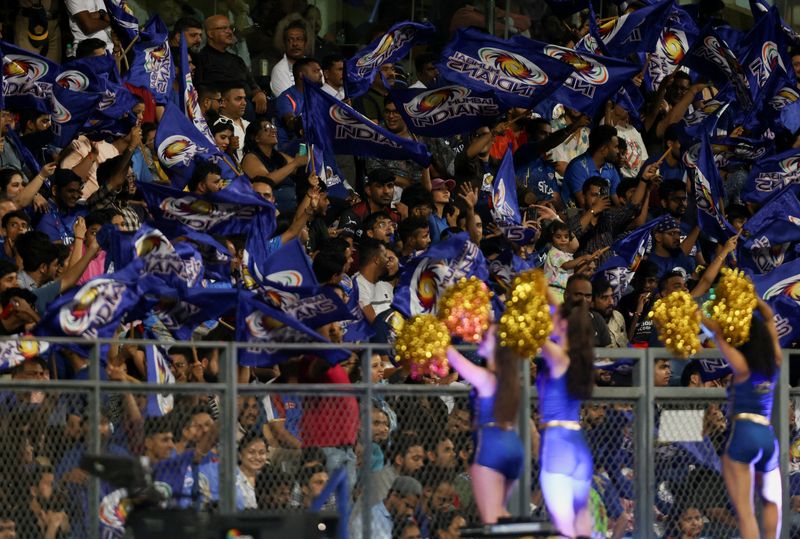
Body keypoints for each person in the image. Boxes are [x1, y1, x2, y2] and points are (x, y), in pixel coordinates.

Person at [703, 299, 782, 539]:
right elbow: (769, 318)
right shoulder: (775, 362)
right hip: (768, 437)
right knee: (770, 501)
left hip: (743, 434)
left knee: (746, 511)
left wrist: (697, 316)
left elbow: (716, 333)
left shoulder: (742, 365)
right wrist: (756, 301)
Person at [445, 326, 524, 524]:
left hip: (491, 447)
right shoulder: (512, 380)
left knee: (490, 519)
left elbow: (453, 358)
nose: (480, 340)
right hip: (513, 447)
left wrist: (436, 336)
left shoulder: (486, 378)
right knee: (502, 512)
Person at [538, 298, 596, 538]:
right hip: (579, 446)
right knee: (582, 526)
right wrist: (544, 291)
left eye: (555, 318)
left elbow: (531, 331)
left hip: (557, 446)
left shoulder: (559, 357)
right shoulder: (581, 358)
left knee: (564, 530)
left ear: (564, 325)